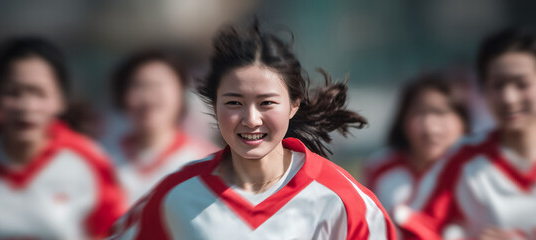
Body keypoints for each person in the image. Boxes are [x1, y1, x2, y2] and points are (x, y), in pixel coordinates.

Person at [109, 21, 397, 240]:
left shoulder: (343, 200)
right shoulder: (176, 195)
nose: (251, 119)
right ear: (213, 105)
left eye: (266, 103)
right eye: (234, 102)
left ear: (294, 105)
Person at [394, 28, 536, 240]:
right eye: (498, 85)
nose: (509, 97)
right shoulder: (460, 160)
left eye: (522, 84)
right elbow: (415, 227)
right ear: (482, 89)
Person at [0, 37, 126, 239]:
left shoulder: (90, 161)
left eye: (39, 93)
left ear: (61, 100)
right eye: (14, 93)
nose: (26, 106)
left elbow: (116, 232)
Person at [363, 72, 469, 239]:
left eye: (441, 113)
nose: (430, 127)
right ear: (402, 120)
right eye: (419, 113)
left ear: (463, 121)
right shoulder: (380, 167)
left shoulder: (476, 171)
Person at [107, 49, 218, 205]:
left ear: (182, 93)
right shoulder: (102, 158)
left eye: (158, 85)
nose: (148, 98)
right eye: (139, 86)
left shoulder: (208, 162)